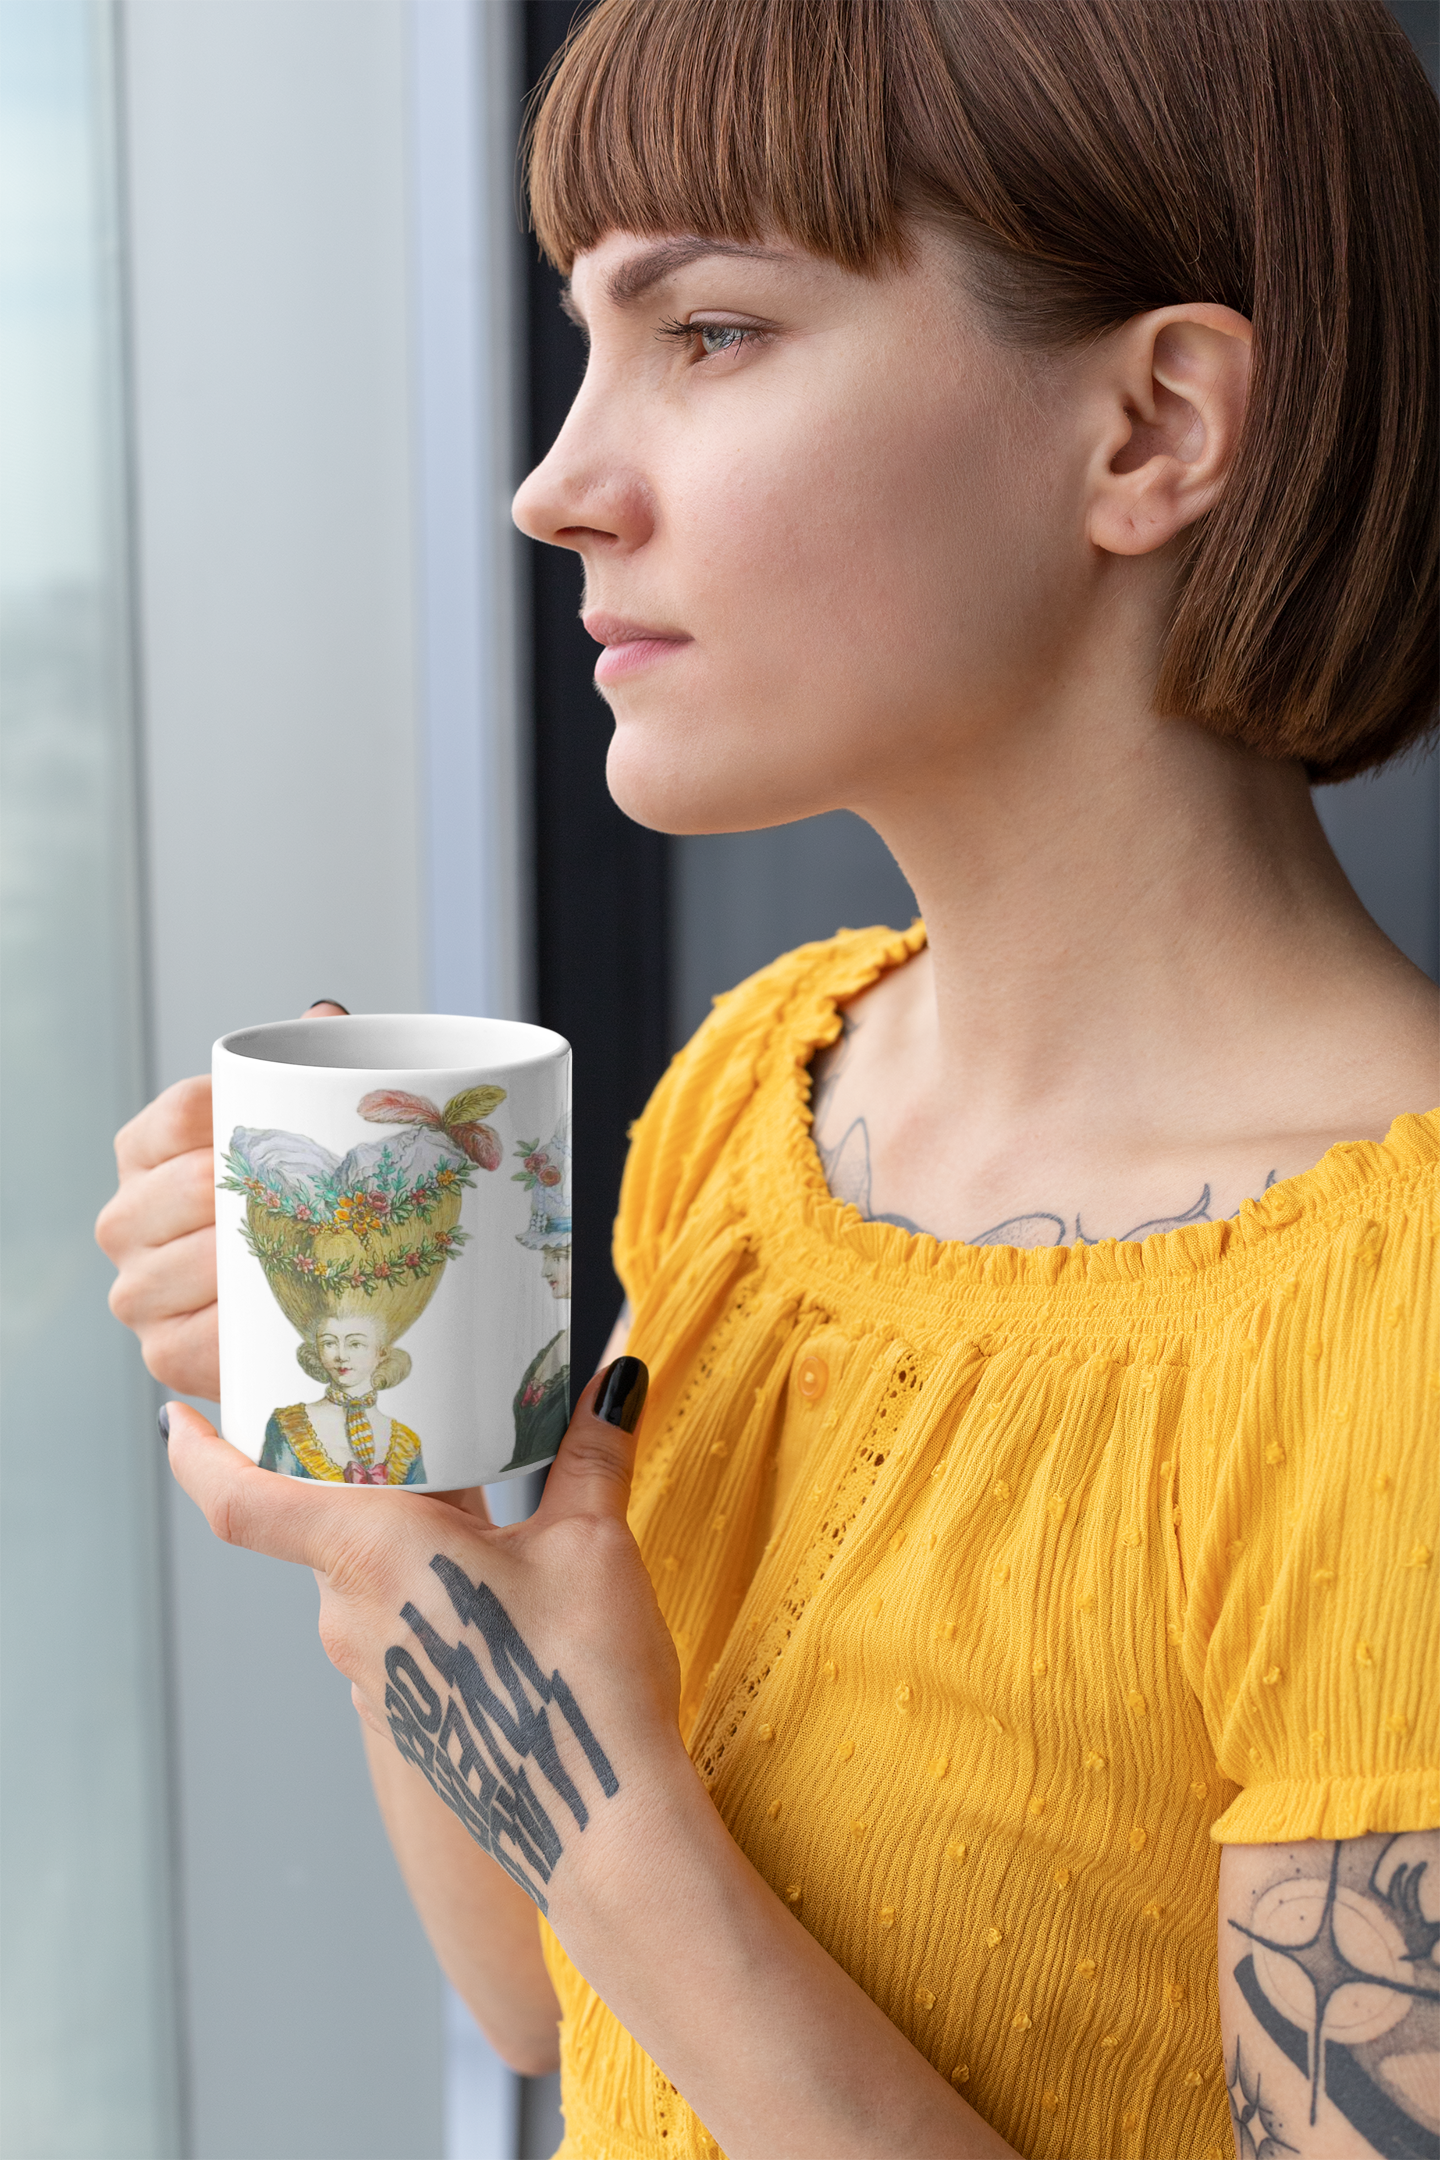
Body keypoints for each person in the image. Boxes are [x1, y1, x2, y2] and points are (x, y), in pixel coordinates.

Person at [96, 2, 1438, 2154]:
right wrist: (410, 1481)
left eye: (709, 330)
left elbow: (607, 1889)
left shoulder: (1401, 1339)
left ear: (1153, 427)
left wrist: (615, 1821)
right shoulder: (770, 1092)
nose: (557, 485)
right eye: (586, 339)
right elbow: (535, 1995)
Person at [261, 1308, 426, 1486]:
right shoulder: (290, 1426)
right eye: (329, 1343)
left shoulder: (406, 1443)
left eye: (355, 1344)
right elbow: (273, 1497)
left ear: (381, 1352)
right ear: (317, 1351)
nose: (341, 1356)